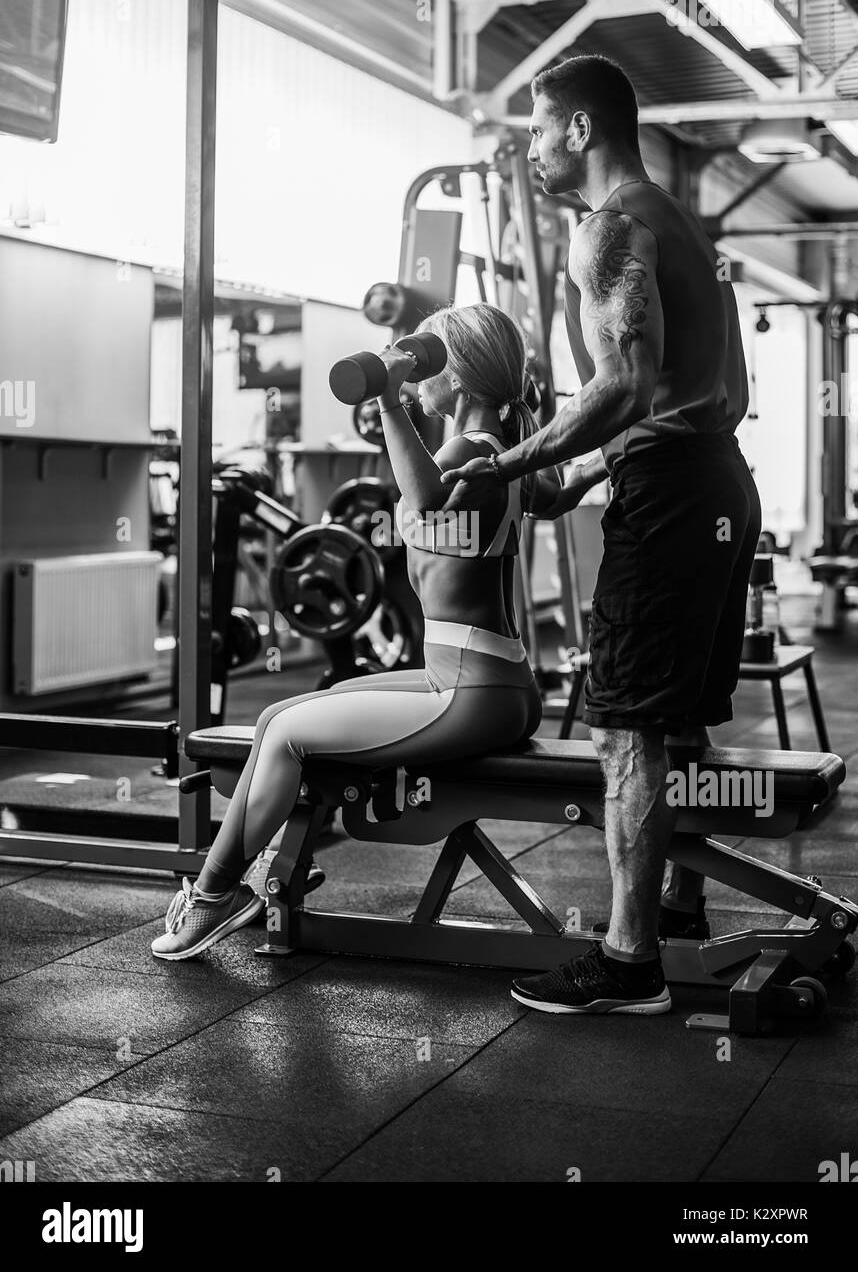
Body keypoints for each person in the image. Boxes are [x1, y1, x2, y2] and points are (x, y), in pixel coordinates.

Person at [442, 54, 761, 1017]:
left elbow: (621, 387)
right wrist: (582, 470)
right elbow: (713, 398)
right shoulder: (682, 227)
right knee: (681, 716)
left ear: (577, 130)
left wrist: (508, 462)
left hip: (669, 500)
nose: (534, 152)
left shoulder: (609, 230)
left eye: (538, 132)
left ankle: (629, 965)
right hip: (716, 485)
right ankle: (678, 906)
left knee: (625, 727)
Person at [152, 302, 559, 960]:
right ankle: (242, 884)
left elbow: (422, 503)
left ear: (456, 380)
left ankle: (212, 894)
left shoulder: (466, 450)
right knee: (278, 715)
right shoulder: (506, 453)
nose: (420, 370)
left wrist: (391, 396)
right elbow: (557, 493)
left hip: (469, 692)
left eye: (431, 358)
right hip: (489, 681)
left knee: (284, 734)